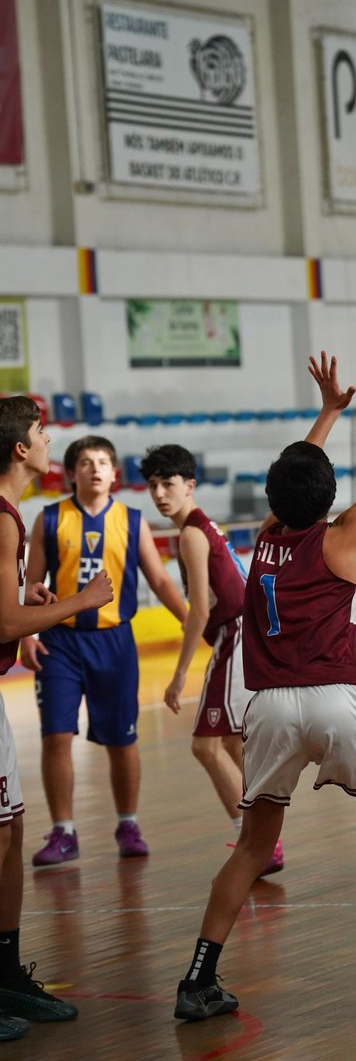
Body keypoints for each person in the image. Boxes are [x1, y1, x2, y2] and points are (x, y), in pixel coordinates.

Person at [173, 330, 356, 1022]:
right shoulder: (345, 533)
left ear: (275, 494)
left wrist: (326, 412)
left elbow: (295, 476)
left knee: (252, 846)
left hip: (266, 709)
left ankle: (197, 979)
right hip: (337, 699)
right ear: (329, 496)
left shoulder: (265, 536)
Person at [138, 352, 356, 877]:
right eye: (153, 486)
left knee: (204, 746)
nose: (160, 493)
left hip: (236, 639)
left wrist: (179, 673)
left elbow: (200, 611)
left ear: (190, 485)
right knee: (233, 742)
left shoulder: (192, 532)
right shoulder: (221, 527)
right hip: (243, 636)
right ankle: (262, 832)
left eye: (169, 484)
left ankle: (254, 837)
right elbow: (295, 484)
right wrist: (327, 413)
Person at [0, 397, 113, 1039]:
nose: (50, 440)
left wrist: (24, 592)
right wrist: (75, 601)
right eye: (42, 433)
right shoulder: (7, 519)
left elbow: (7, 606)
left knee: (12, 833)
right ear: (21, 449)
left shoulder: (13, 516)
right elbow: (6, 626)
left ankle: (8, 971)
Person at [20, 434, 188, 866]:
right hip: (60, 642)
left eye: (103, 462)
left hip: (114, 644)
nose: (95, 469)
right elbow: (32, 585)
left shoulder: (133, 521)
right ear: (72, 473)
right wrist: (26, 635)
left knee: (122, 740)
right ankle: (63, 832)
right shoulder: (49, 519)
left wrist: (191, 621)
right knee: (56, 735)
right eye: (86, 462)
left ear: (114, 474)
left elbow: (162, 581)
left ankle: (128, 822)